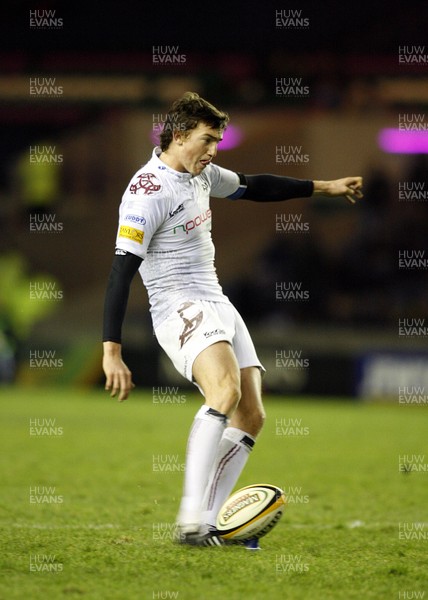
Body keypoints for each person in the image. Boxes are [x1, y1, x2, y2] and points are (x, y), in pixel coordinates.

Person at [102, 92, 363, 547]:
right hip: (177, 305)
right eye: (207, 140)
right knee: (225, 391)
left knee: (251, 414)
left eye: (217, 142)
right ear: (178, 136)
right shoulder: (147, 192)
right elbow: (120, 272)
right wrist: (111, 351)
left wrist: (324, 187)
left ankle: (206, 523)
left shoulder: (200, 175)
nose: (213, 151)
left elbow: (254, 185)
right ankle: (192, 518)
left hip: (215, 299)